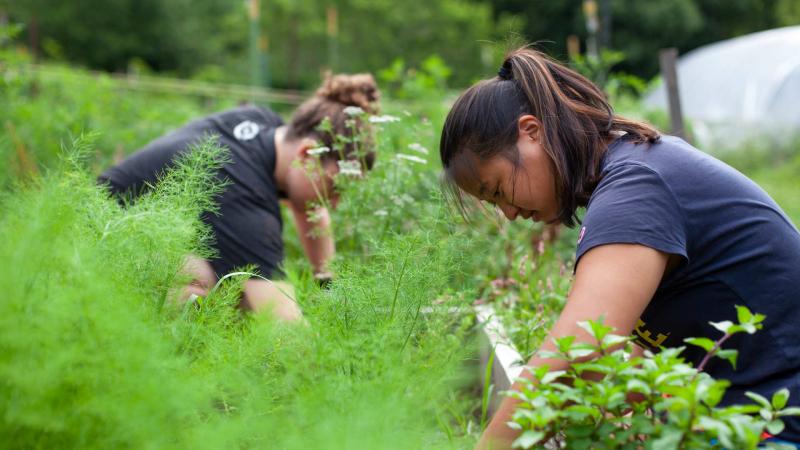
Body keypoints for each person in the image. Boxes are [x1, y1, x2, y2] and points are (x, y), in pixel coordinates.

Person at [439, 47, 800, 448]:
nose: (507, 213)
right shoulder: (629, 172)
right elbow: (613, 360)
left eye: (498, 189)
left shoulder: (636, 188)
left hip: (780, 425)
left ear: (532, 132)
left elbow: (580, 351)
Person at [99, 73, 380, 321]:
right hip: (92, 244)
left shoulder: (266, 126)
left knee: (231, 279)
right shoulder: (242, 194)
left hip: (132, 227)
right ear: (306, 155)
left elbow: (310, 207)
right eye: (334, 188)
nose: (334, 203)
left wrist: (327, 285)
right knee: (209, 282)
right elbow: (286, 328)